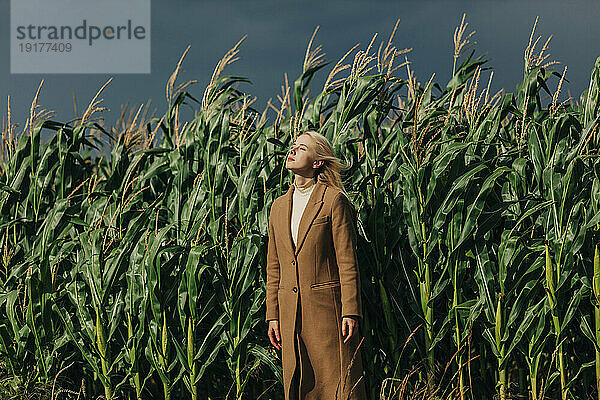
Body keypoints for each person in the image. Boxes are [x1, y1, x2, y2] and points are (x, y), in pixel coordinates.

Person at [265, 130, 367, 400]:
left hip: (327, 316)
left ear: (318, 162)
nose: (293, 150)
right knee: (299, 388)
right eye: (293, 146)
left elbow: (347, 261)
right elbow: (274, 267)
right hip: (289, 315)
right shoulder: (277, 207)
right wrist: (272, 315)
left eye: (302, 148)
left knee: (337, 388)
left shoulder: (334, 200)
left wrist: (351, 311)